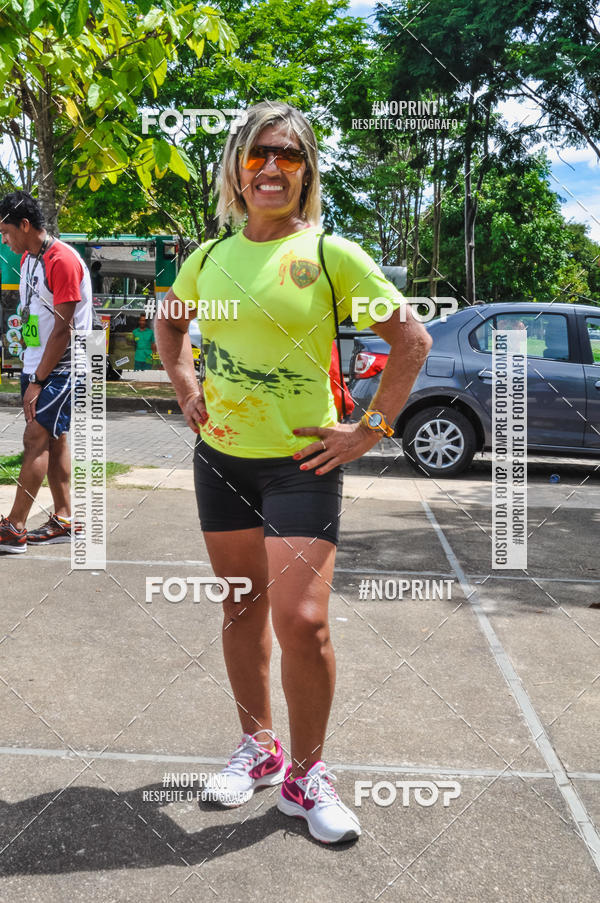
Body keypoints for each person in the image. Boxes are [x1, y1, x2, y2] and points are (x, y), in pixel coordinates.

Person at [155, 101, 432, 844]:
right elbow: (169, 321)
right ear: (236, 171)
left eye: (287, 155)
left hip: (303, 466)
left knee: (303, 622)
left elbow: (412, 339)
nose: (271, 168)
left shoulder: (330, 255)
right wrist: (186, 389)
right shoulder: (210, 259)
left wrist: (370, 428)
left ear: (307, 171)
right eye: (256, 155)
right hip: (222, 462)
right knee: (242, 609)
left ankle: (305, 776)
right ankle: (258, 747)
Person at [0, 191, 92, 552]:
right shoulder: (28, 260)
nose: (4, 241)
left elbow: (63, 329)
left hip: (63, 368)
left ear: (25, 225)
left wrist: (38, 381)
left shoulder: (62, 260)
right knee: (54, 440)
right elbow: (34, 319)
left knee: (35, 437)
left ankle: (15, 527)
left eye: (6, 232)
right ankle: (64, 517)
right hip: (37, 364)